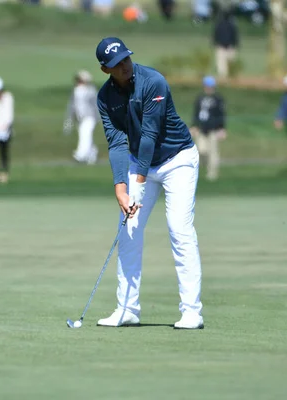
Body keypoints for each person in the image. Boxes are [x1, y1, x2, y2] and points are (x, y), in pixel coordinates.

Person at [94, 37, 204, 329]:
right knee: (129, 230)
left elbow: (150, 135)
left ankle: (192, 311)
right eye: (117, 64)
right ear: (106, 70)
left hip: (177, 159)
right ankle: (127, 309)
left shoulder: (153, 81)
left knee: (179, 228)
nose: (125, 66)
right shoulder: (105, 98)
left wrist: (138, 182)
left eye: (126, 59)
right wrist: (120, 186)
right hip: (139, 162)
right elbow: (117, 142)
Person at [190, 76, 227, 181]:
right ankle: (203, 166)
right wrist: (194, 126)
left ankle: (212, 174)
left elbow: (222, 114)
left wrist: (222, 128)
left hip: (213, 129)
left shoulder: (218, 99)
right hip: (201, 129)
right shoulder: (200, 98)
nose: (208, 88)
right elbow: (196, 113)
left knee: (213, 152)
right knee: (201, 150)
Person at [63, 70, 99, 165]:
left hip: (90, 117)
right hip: (79, 118)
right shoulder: (75, 91)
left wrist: (98, 117)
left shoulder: (91, 90)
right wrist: (69, 119)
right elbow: (71, 106)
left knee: (85, 134)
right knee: (86, 135)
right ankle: (92, 154)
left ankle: (80, 155)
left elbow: (96, 105)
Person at [212, 9, 239, 79]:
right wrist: (236, 44)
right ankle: (229, 74)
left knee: (221, 62)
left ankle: (223, 76)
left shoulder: (219, 24)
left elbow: (215, 35)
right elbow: (235, 36)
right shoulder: (232, 25)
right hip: (230, 46)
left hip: (221, 45)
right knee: (230, 61)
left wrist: (214, 43)